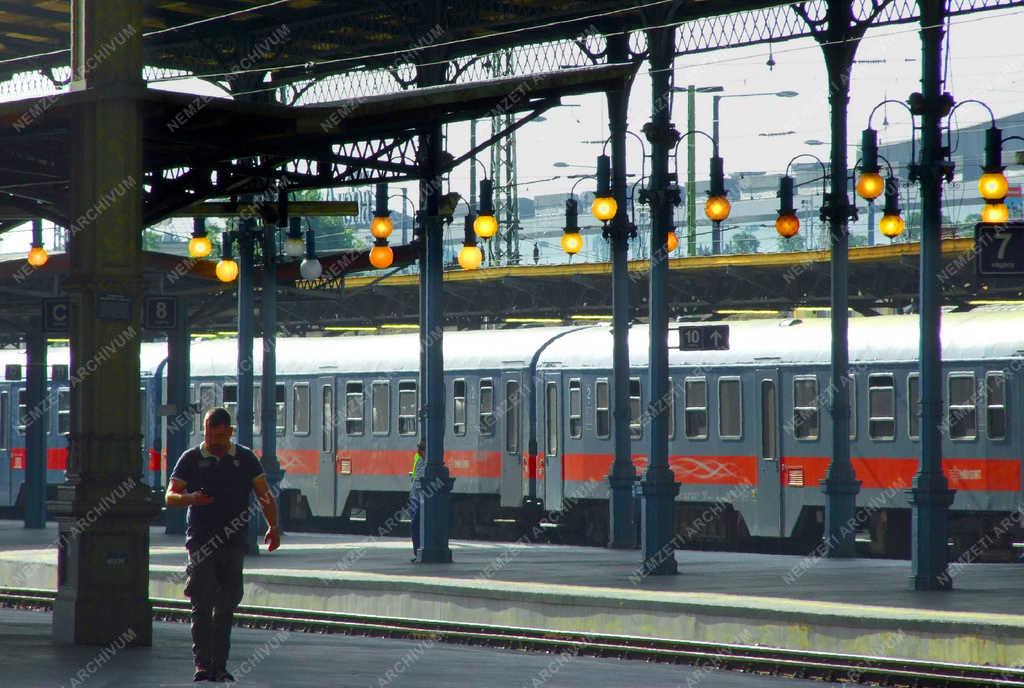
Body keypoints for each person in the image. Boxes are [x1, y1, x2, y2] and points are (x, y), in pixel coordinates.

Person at [166, 407, 280, 683]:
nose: (212, 441)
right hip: (201, 542)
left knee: (226, 606)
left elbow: (264, 495)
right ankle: (202, 665)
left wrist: (273, 527)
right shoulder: (191, 458)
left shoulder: (245, 459)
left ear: (230, 432)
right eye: (208, 434)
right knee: (201, 604)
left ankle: (220, 665)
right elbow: (170, 496)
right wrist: (190, 498)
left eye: (218, 435)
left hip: (234, 542)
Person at [408, 438, 425, 562]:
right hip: (415, 497)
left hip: (419, 498)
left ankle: (418, 551)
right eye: (419, 448)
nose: (419, 450)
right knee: (415, 526)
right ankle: (417, 552)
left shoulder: (425, 461)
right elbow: (415, 477)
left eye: (421, 448)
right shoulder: (419, 458)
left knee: (415, 525)